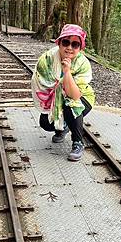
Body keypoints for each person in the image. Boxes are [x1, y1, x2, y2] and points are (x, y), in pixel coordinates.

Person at [31, 24, 95, 162]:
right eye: (65, 42)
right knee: (45, 123)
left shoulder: (82, 63)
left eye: (75, 44)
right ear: (59, 42)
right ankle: (64, 126)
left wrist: (67, 72)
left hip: (82, 98)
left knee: (71, 105)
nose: (69, 47)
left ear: (80, 47)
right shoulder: (47, 59)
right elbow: (40, 82)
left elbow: (75, 95)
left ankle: (78, 143)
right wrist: (57, 88)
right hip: (52, 98)